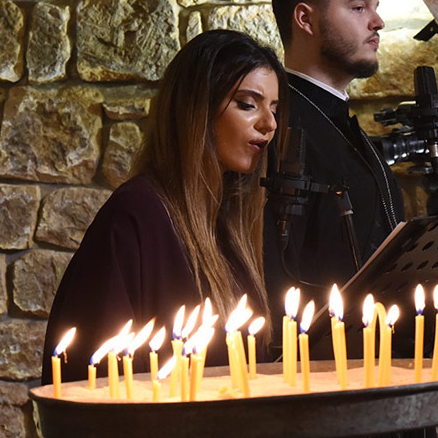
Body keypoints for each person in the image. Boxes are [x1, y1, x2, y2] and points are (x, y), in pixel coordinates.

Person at [41, 30, 286, 383]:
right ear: (196, 109)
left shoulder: (227, 225)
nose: (269, 124)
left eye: (274, 109)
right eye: (248, 104)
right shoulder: (137, 214)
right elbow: (90, 372)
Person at [265, 0, 405, 323]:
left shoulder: (341, 119)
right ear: (305, 20)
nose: (377, 22)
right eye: (359, 7)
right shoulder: (273, 127)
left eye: (374, 7)